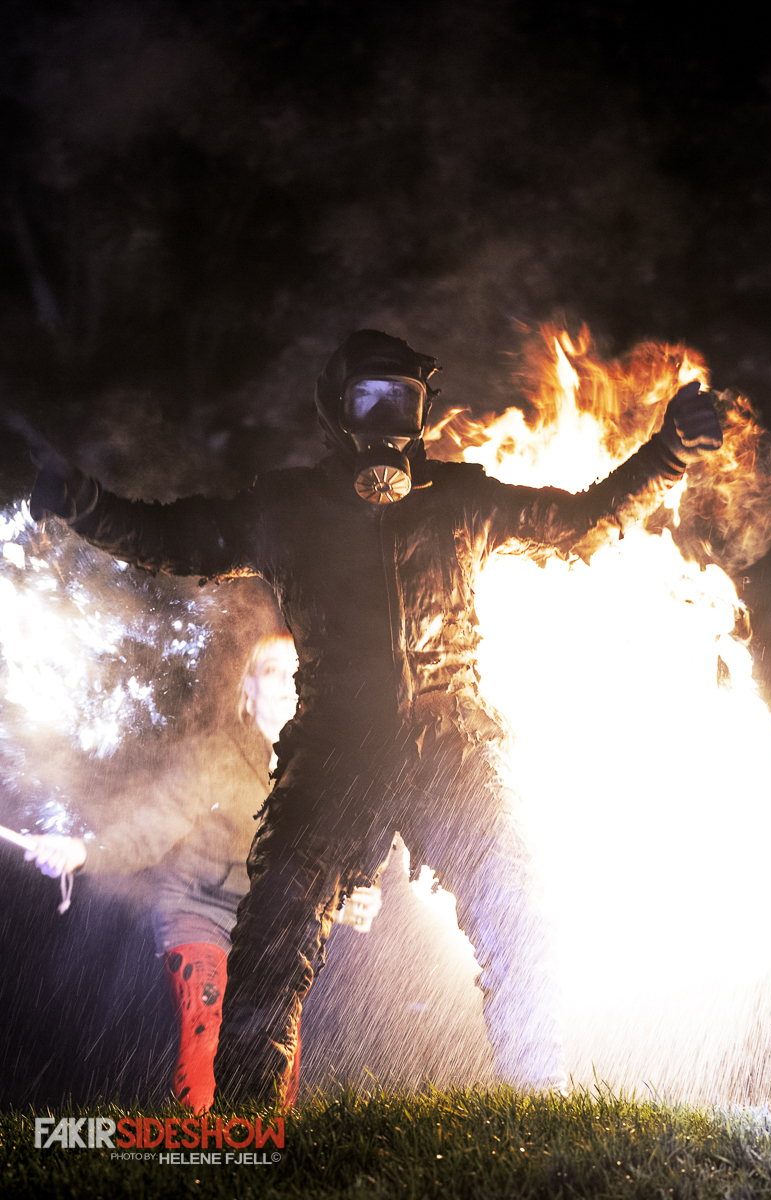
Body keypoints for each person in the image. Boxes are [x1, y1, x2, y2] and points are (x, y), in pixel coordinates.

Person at [29, 328, 723, 1104]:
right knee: (273, 936)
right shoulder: (284, 509)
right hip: (334, 754)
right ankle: (251, 1128)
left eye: (405, 401)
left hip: (454, 745)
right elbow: (173, 539)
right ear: (337, 411)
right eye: (371, 399)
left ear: (424, 411)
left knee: (518, 908)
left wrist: (669, 453)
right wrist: (85, 504)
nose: (389, 419)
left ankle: (538, 1097)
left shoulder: (463, 498)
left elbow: (583, 522)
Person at [25, 630, 381, 1111]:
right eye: (271, 670)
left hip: (272, 932)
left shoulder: (323, 773)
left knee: (274, 1056)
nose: (286, 683)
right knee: (208, 1031)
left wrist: (350, 897)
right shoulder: (214, 755)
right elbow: (148, 831)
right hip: (200, 916)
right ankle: (202, 1146)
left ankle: (268, 1149)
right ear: (248, 689)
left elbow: (322, 866)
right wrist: (83, 851)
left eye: (296, 672)